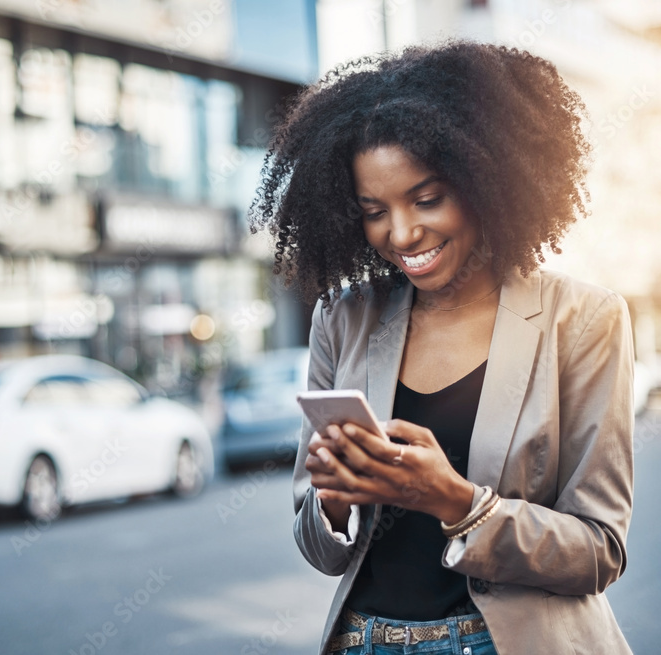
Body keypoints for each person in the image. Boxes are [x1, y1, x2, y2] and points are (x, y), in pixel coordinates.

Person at [248, 40, 635, 655]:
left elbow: (598, 552)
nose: (401, 233)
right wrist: (335, 499)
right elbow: (320, 550)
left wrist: (455, 500)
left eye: (427, 199)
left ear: (486, 178)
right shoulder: (342, 319)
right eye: (375, 210)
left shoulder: (582, 321)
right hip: (364, 641)